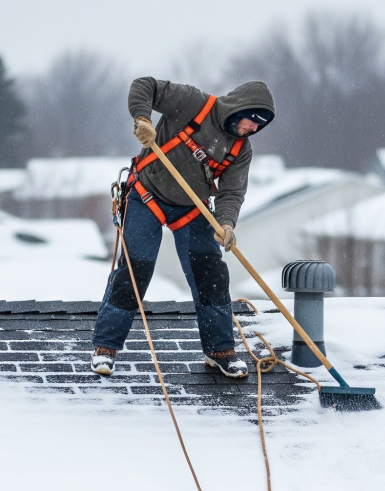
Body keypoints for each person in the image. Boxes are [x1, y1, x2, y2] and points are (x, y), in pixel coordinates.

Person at [90, 77, 276, 378]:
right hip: (146, 196)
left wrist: (226, 223)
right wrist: (142, 118)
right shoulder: (193, 103)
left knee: (211, 274)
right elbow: (144, 86)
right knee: (136, 270)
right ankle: (106, 347)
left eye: (260, 126)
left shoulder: (241, 149)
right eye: (253, 121)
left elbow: (232, 192)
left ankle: (219, 350)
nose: (254, 128)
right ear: (239, 109)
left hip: (193, 208)